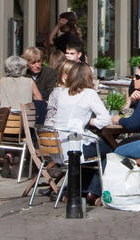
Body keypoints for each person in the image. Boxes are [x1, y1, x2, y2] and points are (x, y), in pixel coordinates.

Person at [47, 61, 113, 202]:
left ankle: (74, 190)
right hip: (74, 146)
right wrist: (91, 121)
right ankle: (93, 192)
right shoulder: (89, 94)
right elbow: (106, 119)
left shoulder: (62, 92)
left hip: (57, 147)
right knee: (107, 150)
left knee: (93, 152)